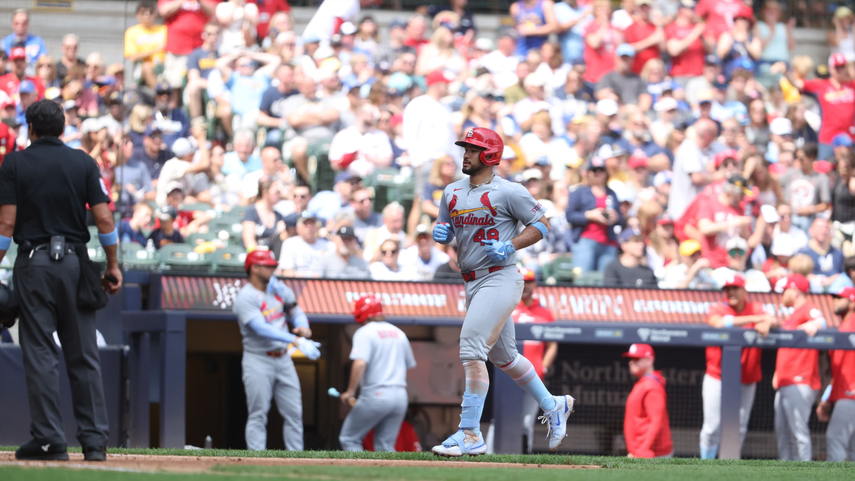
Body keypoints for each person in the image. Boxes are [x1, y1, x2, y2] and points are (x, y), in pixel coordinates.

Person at [431, 127, 573, 456]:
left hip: (501, 277)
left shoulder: (510, 191)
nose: (466, 154)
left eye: (473, 149)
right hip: (472, 281)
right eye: (465, 148)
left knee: (471, 348)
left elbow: (542, 224)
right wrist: (442, 233)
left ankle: (470, 432)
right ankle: (553, 404)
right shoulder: (451, 191)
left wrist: (511, 245)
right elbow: (447, 229)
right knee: (504, 357)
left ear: (490, 155)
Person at [0, 99, 122, 461]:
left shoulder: (15, 163)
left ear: (30, 128)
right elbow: (104, 220)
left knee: (40, 353)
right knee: (84, 354)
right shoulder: (83, 162)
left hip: (34, 264)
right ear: (63, 128)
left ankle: (50, 440)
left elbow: (6, 225)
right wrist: (112, 266)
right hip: (75, 264)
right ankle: (94, 442)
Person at [232, 249, 321, 451]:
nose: (273, 269)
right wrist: (295, 340)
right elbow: (261, 328)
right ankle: (256, 460)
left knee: (295, 413)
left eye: (273, 266)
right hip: (258, 358)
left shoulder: (279, 288)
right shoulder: (246, 296)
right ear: (254, 268)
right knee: (258, 413)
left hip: (283, 358)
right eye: (268, 266)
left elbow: (295, 310)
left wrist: (302, 325)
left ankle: (296, 458)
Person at [701, 274, 775, 459]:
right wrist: (756, 319)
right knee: (712, 428)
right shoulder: (718, 307)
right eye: (727, 289)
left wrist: (766, 321)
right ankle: (705, 466)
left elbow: (776, 320)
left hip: (746, 379)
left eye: (735, 288)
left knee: (739, 427)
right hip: (718, 377)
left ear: (744, 290)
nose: (731, 292)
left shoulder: (756, 307)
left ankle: (729, 466)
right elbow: (718, 323)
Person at [338, 295, 416, 451]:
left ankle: (359, 469)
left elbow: (360, 363)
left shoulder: (364, 332)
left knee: (349, 438)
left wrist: (350, 391)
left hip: (376, 394)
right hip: (400, 395)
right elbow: (409, 365)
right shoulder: (399, 333)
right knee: (385, 445)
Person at [774, 274, 824, 462]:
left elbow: (821, 321)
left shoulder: (807, 308)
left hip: (800, 379)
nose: (782, 295)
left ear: (794, 291)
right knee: (782, 432)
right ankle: (786, 472)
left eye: (784, 291)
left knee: (798, 433)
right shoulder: (792, 315)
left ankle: (803, 472)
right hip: (786, 380)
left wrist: (812, 325)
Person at [816, 286, 855, 462]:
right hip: (843, 392)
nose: (835, 301)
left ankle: (835, 476)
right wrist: (827, 398)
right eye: (834, 298)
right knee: (852, 447)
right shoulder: (843, 325)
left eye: (840, 298)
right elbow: (838, 371)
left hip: (851, 393)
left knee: (835, 437)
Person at [791, 53, 855, 160]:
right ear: (831, 68)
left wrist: (851, 73)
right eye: (837, 67)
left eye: (842, 67)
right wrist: (786, 71)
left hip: (849, 138)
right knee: (824, 167)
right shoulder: (822, 85)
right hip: (828, 138)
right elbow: (798, 84)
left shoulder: (852, 85)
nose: (840, 70)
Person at [566, 156, 623, 274]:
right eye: (594, 170)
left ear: (605, 173)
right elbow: (569, 215)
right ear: (588, 173)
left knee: (605, 280)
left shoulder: (612, 193)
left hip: (608, 242)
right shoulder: (579, 192)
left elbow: (622, 219)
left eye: (601, 170)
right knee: (582, 278)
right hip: (586, 240)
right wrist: (589, 215)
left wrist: (616, 217)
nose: (598, 173)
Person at [622, 343, 673, 458]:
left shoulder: (651, 386)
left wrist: (643, 450)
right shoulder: (644, 383)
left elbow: (656, 421)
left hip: (654, 454)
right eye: (630, 359)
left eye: (636, 359)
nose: (631, 362)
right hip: (641, 451)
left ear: (649, 360)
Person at [158, 0, 216, 95]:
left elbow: (213, 10)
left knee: (198, 84)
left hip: (200, 48)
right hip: (177, 47)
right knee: (174, 85)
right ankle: (174, 105)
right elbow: (163, 11)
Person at [124, 1, 167, 90]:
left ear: (155, 14)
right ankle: (159, 92)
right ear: (137, 15)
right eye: (143, 12)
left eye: (150, 12)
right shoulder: (132, 32)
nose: (147, 15)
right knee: (147, 67)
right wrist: (155, 50)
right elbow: (132, 56)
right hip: (141, 69)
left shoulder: (164, 29)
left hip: (165, 65)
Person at [277, 212, 334, 278]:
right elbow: (286, 271)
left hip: (322, 282)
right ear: (298, 227)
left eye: (312, 223)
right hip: (298, 283)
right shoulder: (290, 244)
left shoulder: (328, 246)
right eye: (305, 224)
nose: (309, 227)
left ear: (317, 227)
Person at [242, 178, 286, 253]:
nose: (280, 195)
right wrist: (262, 254)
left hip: (273, 256)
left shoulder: (279, 216)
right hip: (255, 256)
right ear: (265, 193)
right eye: (277, 192)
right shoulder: (251, 211)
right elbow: (249, 241)